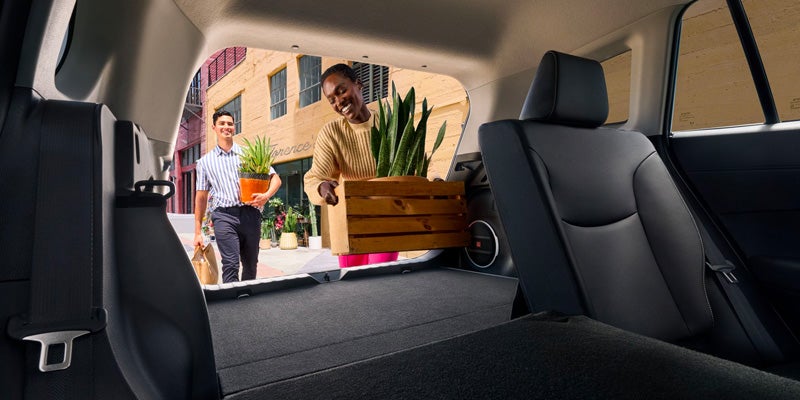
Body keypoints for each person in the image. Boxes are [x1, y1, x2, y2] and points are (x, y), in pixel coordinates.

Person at [303, 63, 398, 268]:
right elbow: (313, 178)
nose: (339, 102)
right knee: (352, 288)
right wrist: (321, 187)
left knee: (381, 280)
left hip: (387, 218)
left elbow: (412, 169)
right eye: (332, 100)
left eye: (342, 90)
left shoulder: (390, 122)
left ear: (358, 84)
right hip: (348, 221)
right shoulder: (332, 133)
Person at [194, 110, 281, 283]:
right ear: (214, 127)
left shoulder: (249, 154)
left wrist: (266, 196)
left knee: (251, 264)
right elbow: (201, 197)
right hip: (223, 216)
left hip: (250, 214)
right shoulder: (205, 162)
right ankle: (231, 305)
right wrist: (198, 232)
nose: (226, 127)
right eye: (222, 123)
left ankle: (248, 302)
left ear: (234, 127)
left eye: (230, 123)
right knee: (231, 264)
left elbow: (276, 179)